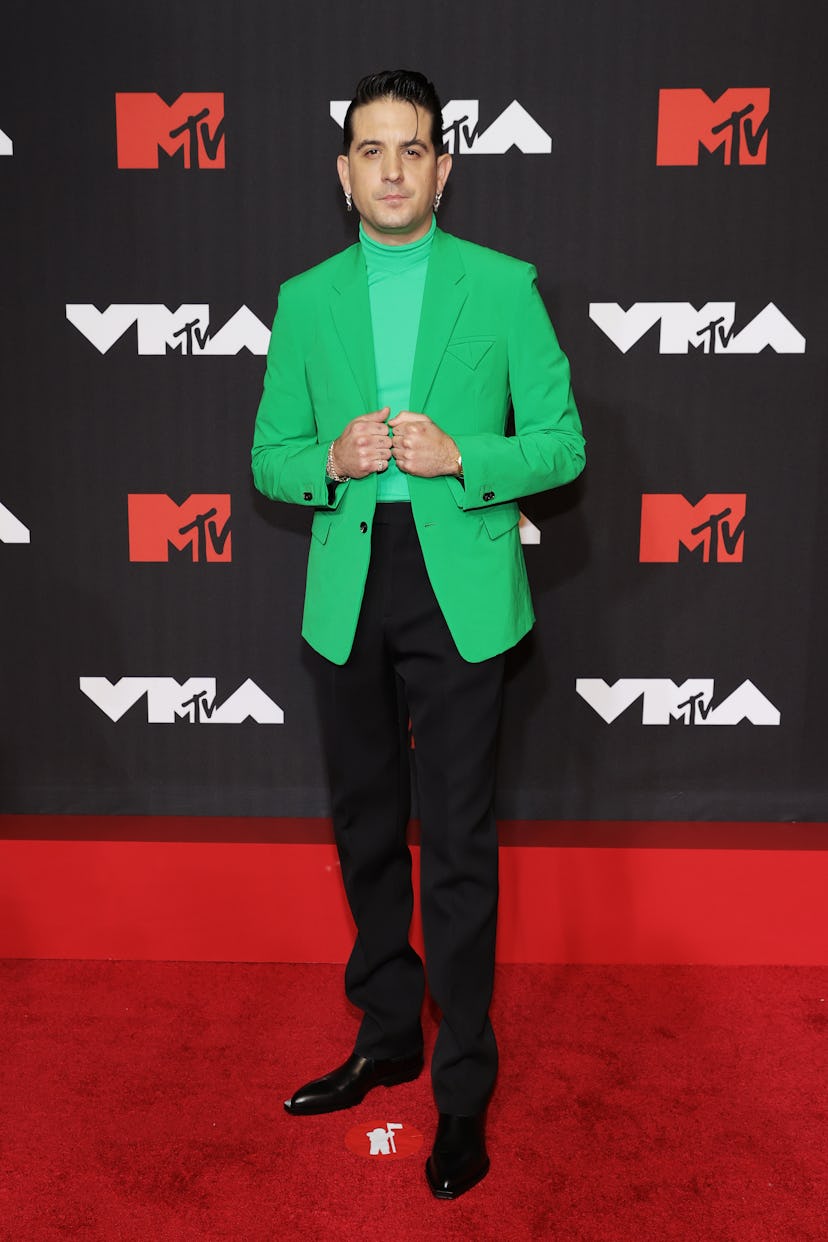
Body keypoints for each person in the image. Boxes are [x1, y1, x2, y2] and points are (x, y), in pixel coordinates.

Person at [251, 68, 585, 1200]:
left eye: (414, 149)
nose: (393, 169)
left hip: (461, 585)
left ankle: (461, 1090)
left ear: (445, 166)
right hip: (350, 581)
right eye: (371, 151)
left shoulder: (504, 287)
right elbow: (268, 459)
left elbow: (563, 442)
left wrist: (467, 460)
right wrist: (326, 464)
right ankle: (388, 1036)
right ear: (344, 173)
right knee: (363, 832)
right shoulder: (305, 300)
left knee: (454, 845)